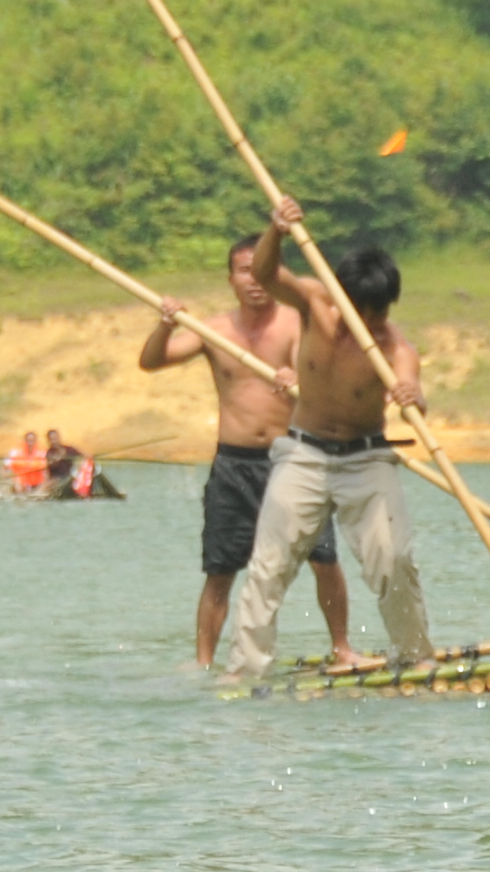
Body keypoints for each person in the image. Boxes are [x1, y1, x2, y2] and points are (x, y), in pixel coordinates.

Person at [216, 198, 432, 681]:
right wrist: (277, 230)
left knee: (393, 559)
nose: (371, 324)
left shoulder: (395, 346)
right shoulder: (315, 303)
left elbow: (412, 391)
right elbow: (269, 275)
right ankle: (246, 670)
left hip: (366, 459)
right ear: (345, 299)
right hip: (304, 454)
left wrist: (410, 394)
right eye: (364, 313)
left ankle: (415, 656)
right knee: (268, 566)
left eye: (380, 314)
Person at [143, 232, 349, 669]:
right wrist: (166, 323)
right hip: (233, 465)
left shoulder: (296, 324)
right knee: (221, 570)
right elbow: (152, 361)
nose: (254, 280)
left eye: (261, 271)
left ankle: (342, 648)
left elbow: (321, 377)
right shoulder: (212, 330)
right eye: (243, 271)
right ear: (231, 279)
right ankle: (203, 661)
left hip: (293, 459)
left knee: (323, 558)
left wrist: (298, 375)